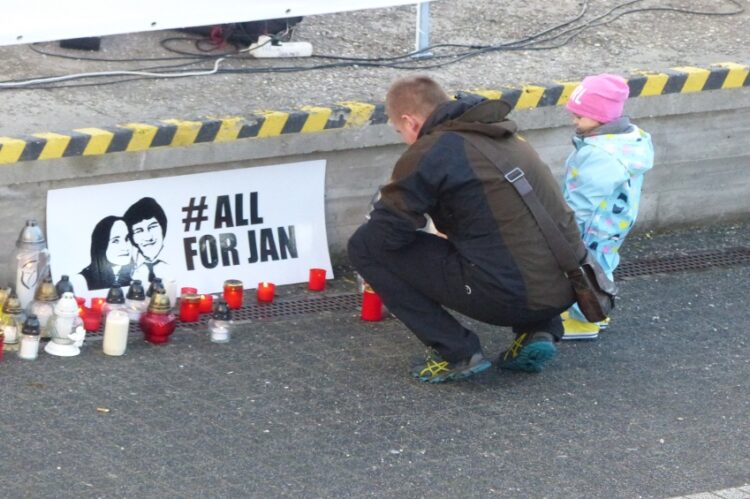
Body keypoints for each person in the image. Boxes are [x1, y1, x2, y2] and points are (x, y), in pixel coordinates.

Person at [347, 75, 586, 383]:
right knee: (517, 234)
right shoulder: (501, 134)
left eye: (399, 131)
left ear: (410, 122)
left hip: (509, 297)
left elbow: (386, 234)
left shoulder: (431, 151)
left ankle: (457, 352)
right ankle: (539, 330)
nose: (404, 139)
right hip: (569, 285)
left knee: (364, 246)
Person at [561, 74, 654, 340]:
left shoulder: (600, 155)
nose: (574, 121)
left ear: (601, 117)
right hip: (614, 221)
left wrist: (567, 226)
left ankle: (586, 320)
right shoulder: (628, 142)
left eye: (580, 116)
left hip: (593, 225)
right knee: (601, 266)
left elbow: (583, 201)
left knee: (585, 271)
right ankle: (598, 312)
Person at [75, 216, 134, 291]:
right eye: (115, 241)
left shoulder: (138, 273)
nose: (125, 246)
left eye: (127, 238)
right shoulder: (83, 279)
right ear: (102, 245)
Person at [123, 197, 169, 284]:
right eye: (139, 231)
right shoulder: (126, 270)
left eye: (152, 227)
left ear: (162, 227)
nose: (148, 237)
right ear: (132, 237)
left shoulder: (178, 264)